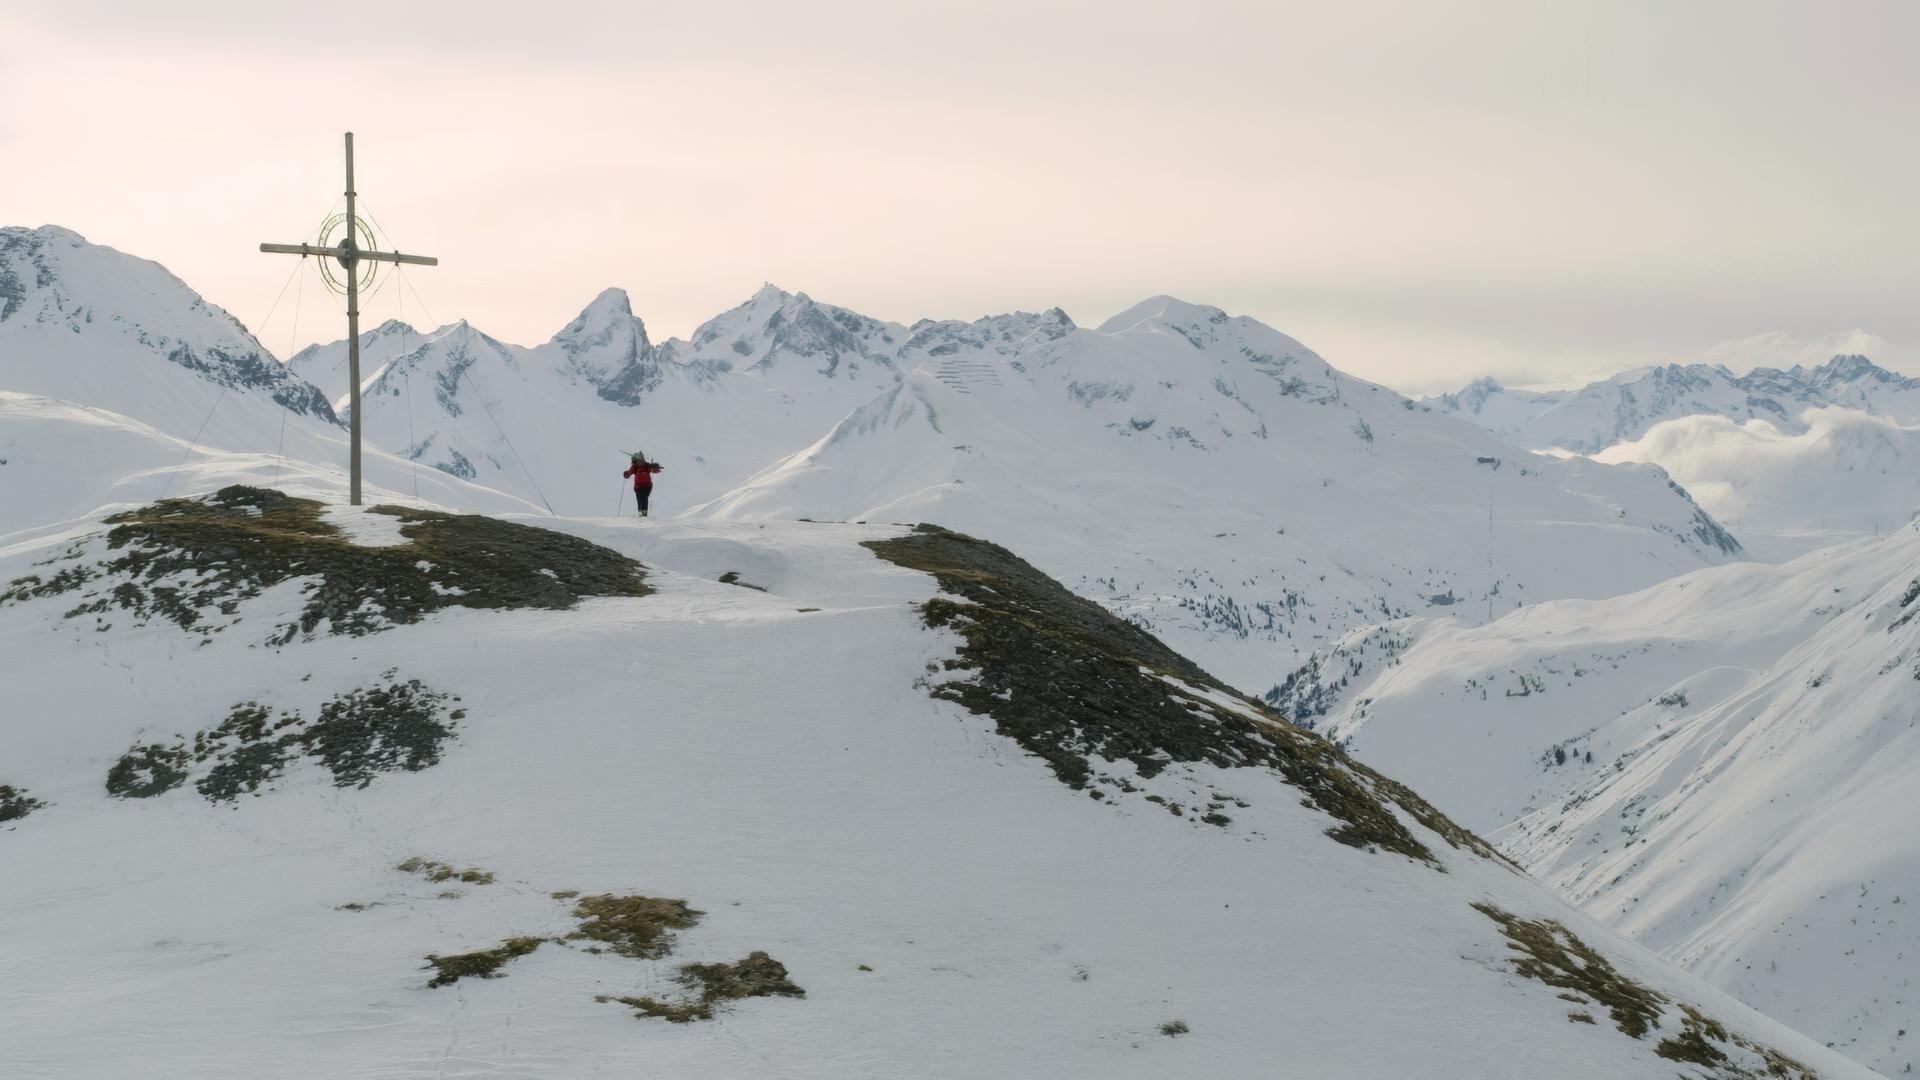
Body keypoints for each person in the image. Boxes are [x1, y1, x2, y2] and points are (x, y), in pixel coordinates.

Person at [622, 452, 663, 517]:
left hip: (647, 486)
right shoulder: (634, 466)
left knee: (643, 498)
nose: (640, 462)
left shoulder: (646, 465)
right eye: (638, 461)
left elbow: (654, 470)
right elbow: (629, 473)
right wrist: (626, 474)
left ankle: (644, 516)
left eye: (641, 460)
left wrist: (656, 467)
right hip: (638, 487)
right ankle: (641, 516)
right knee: (639, 501)